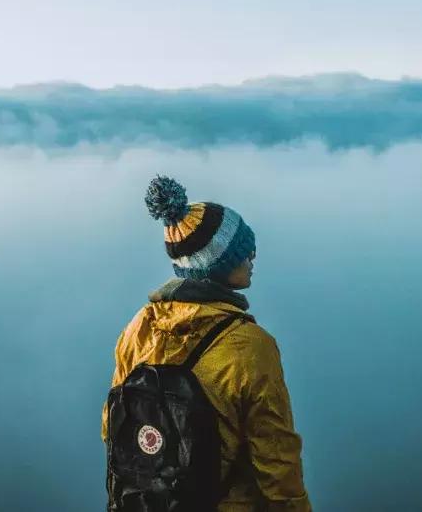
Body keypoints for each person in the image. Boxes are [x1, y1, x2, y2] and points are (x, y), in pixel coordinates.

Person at [102, 175, 312, 512]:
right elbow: (276, 458)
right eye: (244, 252)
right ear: (219, 266)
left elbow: (112, 427)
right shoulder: (249, 346)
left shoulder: (139, 327)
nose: (253, 258)